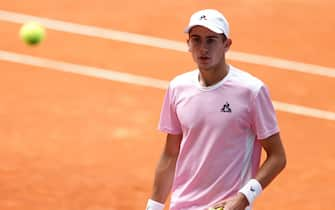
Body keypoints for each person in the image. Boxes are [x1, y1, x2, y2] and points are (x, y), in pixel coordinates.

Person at [146, 9, 287, 210]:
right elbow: (170, 154)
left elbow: (277, 156)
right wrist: (154, 207)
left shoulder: (252, 91)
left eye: (211, 40)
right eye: (196, 39)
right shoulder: (178, 87)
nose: (203, 48)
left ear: (226, 44)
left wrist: (244, 198)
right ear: (188, 44)